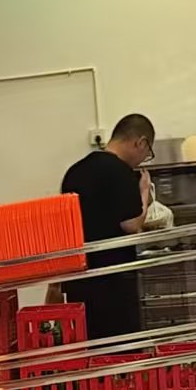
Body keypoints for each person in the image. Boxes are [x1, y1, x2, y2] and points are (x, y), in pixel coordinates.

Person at [59, 112, 155, 341]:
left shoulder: (74, 171)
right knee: (120, 350)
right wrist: (144, 193)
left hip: (79, 282)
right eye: (147, 153)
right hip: (113, 282)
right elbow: (132, 224)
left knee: (89, 348)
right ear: (140, 143)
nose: (143, 159)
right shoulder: (120, 172)